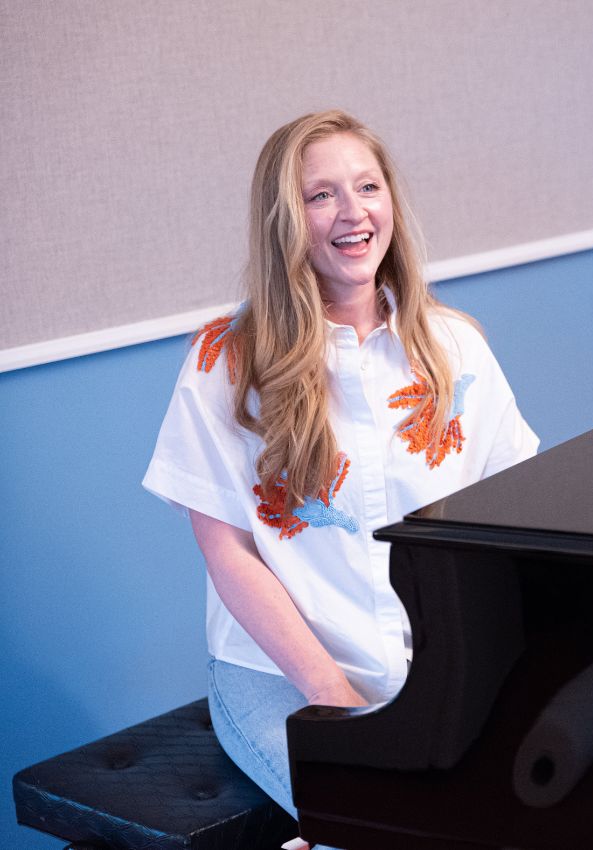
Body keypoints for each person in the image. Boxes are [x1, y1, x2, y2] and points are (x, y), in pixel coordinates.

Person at [143, 109, 539, 848]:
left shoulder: (458, 348)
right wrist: (334, 702)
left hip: (435, 664)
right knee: (384, 825)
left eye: (367, 185)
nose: (352, 212)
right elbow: (229, 552)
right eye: (321, 195)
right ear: (284, 220)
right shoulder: (226, 362)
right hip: (281, 677)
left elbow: (510, 520)